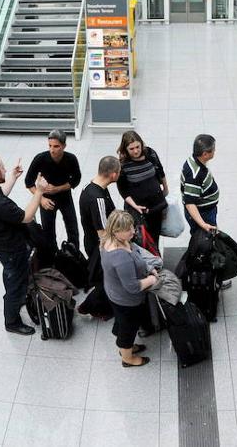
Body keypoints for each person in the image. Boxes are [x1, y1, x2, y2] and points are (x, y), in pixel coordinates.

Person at [0, 153, 45, 335]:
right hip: (12, 248)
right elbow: (26, 216)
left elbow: (0, 194)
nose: (5, 170)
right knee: (16, 285)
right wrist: (40, 191)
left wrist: (12, 177)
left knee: (11, 272)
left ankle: (14, 288)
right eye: (3, 168)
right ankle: (12, 321)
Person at [100, 210, 158, 366]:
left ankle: (126, 345)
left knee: (122, 321)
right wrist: (151, 279)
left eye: (132, 226)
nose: (133, 231)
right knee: (129, 328)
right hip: (127, 301)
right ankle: (127, 357)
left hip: (115, 294)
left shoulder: (111, 240)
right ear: (116, 231)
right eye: (128, 230)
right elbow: (132, 287)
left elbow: (136, 255)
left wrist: (148, 267)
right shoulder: (120, 258)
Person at [24, 130, 82, 248]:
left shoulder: (71, 159)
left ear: (64, 146)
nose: (52, 150)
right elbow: (28, 182)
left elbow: (76, 179)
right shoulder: (40, 159)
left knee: (73, 230)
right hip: (46, 200)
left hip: (65, 197)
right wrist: (40, 199)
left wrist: (58, 189)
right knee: (48, 233)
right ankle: (52, 257)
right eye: (50, 146)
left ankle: (74, 254)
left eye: (56, 146)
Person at [116, 130, 169, 249]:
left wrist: (165, 188)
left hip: (156, 205)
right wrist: (134, 206)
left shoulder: (150, 153)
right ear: (125, 149)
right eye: (131, 149)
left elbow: (160, 171)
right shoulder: (123, 165)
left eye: (137, 147)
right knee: (141, 239)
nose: (135, 151)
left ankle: (156, 260)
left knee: (155, 237)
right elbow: (122, 189)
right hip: (138, 210)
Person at [80, 156, 120, 260]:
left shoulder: (90, 186)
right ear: (113, 175)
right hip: (98, 248)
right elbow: (103, 233)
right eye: (119, 172)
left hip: (90, 241)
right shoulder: (98, 199)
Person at [181, 134, 220, 233]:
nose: (215, 151)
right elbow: (190, 203)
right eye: (213, 149)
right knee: (204, 240)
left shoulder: (193, 159)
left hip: (206, 210)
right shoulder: (195, 175)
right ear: (205, 154)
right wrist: (203, 224)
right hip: (203, 213)